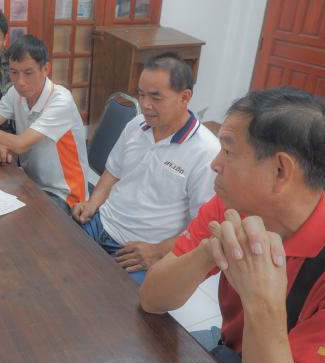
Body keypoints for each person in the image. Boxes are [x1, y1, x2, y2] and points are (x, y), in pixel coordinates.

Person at [141, 87, 325, 363]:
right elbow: (152, 299)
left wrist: (262, 304)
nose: (215, 164)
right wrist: (208, 251)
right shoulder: (231, 207)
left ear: (280, 171)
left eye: (228, 151)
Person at [72, 52, 219, 283]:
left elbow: (203, 227)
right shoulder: (136, 125)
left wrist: (158, 252)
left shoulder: (206, 152)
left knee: (103, 298)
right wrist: (92, 204)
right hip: (101, 222)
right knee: (54, 261)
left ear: (185, 97)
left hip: (141, 250)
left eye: (156, 97)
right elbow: (112, 172)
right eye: (141, 94)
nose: (145, 105)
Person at [0, 35, 89, 213]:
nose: (20, 81)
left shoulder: (61, 100)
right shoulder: (16, 93)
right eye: (14, 72)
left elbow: (19, 144)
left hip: (65, 194)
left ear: (45, 69)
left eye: (28, 73)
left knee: (14, 221)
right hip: (31, 183)